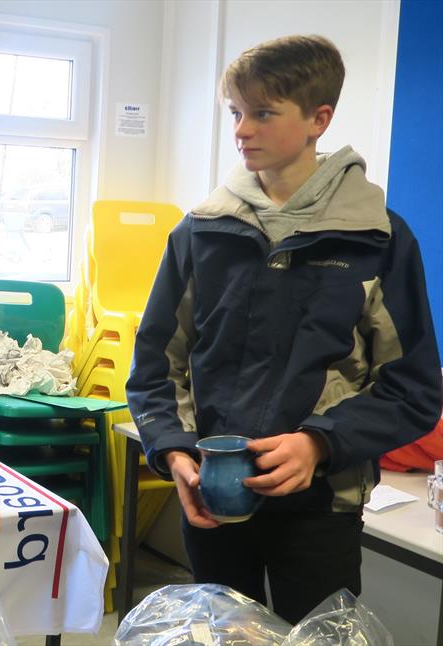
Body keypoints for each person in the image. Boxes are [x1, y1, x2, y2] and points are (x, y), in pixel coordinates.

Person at [126, 34, 441, 624]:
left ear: (319, 119)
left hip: (322, 509)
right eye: (236, 113)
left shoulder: (378, 239)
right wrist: (171, 450)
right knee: (221, 637)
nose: (242, 130)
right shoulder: (199, 233)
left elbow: (413, 388)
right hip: (213, 501)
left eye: (263, 113)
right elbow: (154, 368)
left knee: (319, 639)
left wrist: (318, 442)